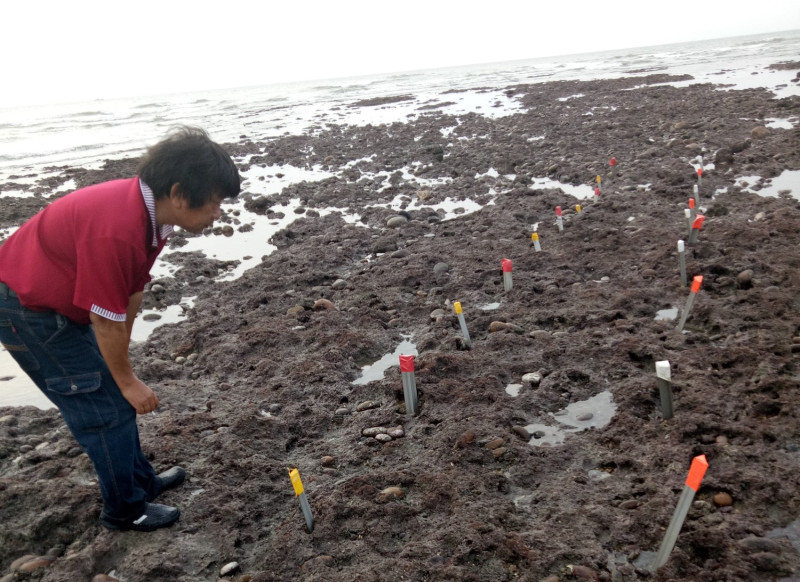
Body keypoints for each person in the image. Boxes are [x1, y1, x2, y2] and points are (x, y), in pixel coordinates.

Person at [0, 126, 240, 532]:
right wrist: (127, 379)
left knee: (110, 394)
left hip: (55, 302)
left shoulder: (152, 216)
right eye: (214, 202)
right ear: (180, 194)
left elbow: (131, 290)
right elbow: (104, 317)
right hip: (27, 310)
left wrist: (120, 361)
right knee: (104, 410)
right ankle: (124, 511)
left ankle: (141, 482)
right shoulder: (117, 227)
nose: (218, 212)